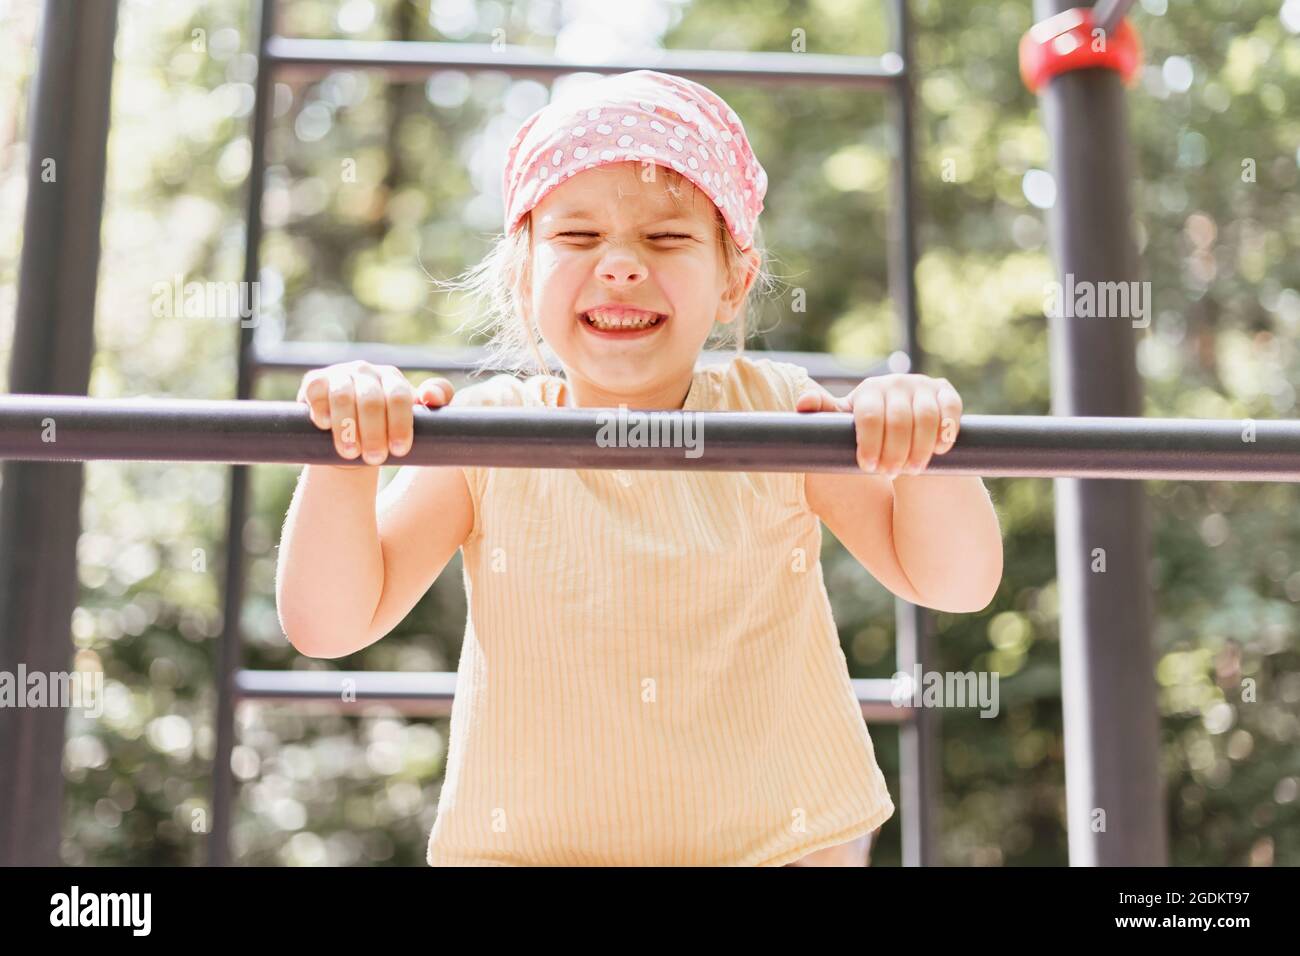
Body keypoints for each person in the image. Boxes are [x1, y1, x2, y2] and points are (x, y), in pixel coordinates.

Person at [275, 70, 1003, 866]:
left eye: (667, 238)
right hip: (533, 854)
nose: (620, 264)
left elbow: (952, 583)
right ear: (523, 282)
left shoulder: (778, 415)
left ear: (734, 280)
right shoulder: (489, 437)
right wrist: (343, 451)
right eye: (578, 237)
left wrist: (927, 444)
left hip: (781, 847)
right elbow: (331, 623)